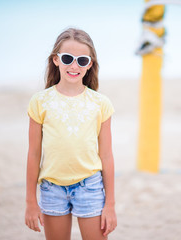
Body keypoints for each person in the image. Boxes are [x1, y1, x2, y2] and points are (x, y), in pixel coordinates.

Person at [25, 27, 117, 240]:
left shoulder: (100, 103)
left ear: (90, 64)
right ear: (56, 60)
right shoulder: (40, 102)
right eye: (67, 58)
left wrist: (110, 204)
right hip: (51, 189)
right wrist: (31, 201)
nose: (74, 66)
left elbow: (106, 156)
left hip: (91, 187)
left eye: (82, 60)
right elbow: (33, 154)